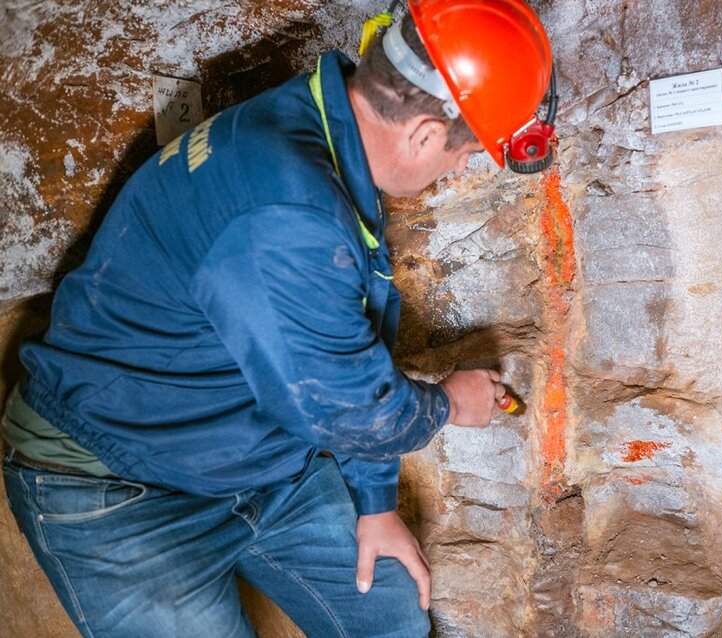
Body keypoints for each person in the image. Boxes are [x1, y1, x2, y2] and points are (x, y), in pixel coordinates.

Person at [1, 0, 553, 636]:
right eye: (464, 152)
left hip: (248, 454)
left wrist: (375, 504)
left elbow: (346, 350)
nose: (458, 167)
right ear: (425, 134)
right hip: (115, 478)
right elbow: (347, 406)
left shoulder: (312, 123)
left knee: (391, 616)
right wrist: (450, 404)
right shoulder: (289, 212)